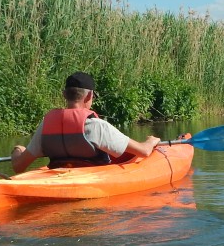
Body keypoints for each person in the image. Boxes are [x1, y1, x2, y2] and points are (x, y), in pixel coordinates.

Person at [10, 72, 164, 173]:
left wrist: (18, 150)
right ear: (89, 95)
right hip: (92, 179)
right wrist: (151, 141)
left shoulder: (46, 126)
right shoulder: (97, 127)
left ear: (64, 95)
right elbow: (143, 151)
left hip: (58, 176)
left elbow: (18, 166)